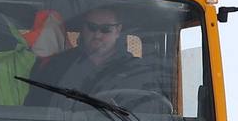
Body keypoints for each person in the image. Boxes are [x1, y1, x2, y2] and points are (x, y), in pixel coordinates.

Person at [24, 6, 161, 107]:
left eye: (105, 29)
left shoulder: (138, 71)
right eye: (92, 27)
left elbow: (151, 114)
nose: (97, 35)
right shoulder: (57, 66)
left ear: (118, 30)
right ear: (83, 28)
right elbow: (34, 108)